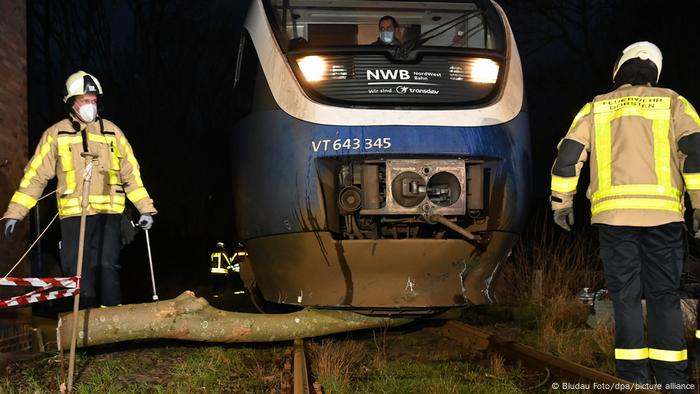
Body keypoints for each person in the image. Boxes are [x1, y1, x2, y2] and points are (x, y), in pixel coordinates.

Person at [550, 41, 700, 391]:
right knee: (664, 296)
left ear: (621, 69)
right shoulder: (674, 102)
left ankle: (632, 381)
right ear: (654, 71)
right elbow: (693, 154)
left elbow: (567, 157)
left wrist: (562, 203)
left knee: (626, 297)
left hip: (614, 220)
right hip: (663, 218)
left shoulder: (596, 107)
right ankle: (674, 383)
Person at [1, 70, 157, 309]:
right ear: (72, 103)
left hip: (110, 214)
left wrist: (145, 209)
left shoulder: (113, 133)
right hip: (75, 216)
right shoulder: (56, 134)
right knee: (79, 271)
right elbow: (35, 176)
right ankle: (85, 329)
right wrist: (15, 212)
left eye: (93, 101)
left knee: (108, 266)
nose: (90, 106)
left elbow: (131, 175)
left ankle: (113, 325)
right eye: (85, 101)